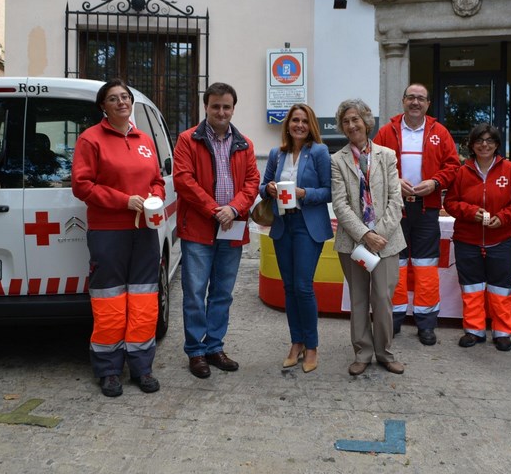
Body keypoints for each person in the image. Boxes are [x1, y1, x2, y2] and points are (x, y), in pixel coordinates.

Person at [72, 79, 163, 397]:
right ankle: (109, 370)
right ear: (103, 107)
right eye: (114, 98)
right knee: (109, 301)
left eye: (125, 97)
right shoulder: (90, 139)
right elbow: (82, 186)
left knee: (144, 299)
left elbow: (156, 179)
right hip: (109, 231)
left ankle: (141, 367)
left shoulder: (144, 140)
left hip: (144, 232)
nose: (122, 102)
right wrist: (124, 201)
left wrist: (155, 196)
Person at [173, 82, 260, 378]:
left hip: (231, 228)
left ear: (233, 109)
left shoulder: (245, 143)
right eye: (215, 106)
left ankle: (214, 346)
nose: (221, 112)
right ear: (206, 107)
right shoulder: (187, 140)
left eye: (226, 107)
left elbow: (252, 182)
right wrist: (214, 210)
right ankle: (195, 351)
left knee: (222, 293)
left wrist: (233, 209)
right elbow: (183, 181)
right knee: (195, 293)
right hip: (198, 228)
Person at [374, 83, 460, 345]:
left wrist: (435, 183)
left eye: (420, 99)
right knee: (394, 266)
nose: (415, 102)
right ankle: (394, 319)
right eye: (411, 97)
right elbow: (372, 163)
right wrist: (393, 180)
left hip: (426, 209)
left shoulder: (440, 132)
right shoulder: (387, 131)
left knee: (425, 267)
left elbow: (453, 165)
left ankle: (426, 323)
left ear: (428, 104)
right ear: (402, 101)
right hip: (393, 209)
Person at [331, 99, 406, 376]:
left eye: (355, 120)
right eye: (346, 122)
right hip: (352, 242)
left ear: (366, 122)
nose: (351, 125)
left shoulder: (387, 155)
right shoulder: (336, 160)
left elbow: (396, 201)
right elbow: (340, 205)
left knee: (383, 298)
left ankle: (385, 352)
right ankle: (362, 352)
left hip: (386, 242)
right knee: (359, 298)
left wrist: (378, 235)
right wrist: (365, 235)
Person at [259, 104, 332, 373]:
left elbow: (329, 192)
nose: (299, 125)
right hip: (282, 225)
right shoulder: (277, 154)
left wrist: (304, 194)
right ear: (287, 124)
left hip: (307, 224)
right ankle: (296, 342)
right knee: (289, 287)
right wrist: (267, 188)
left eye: (303, 120)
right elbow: (262, 185)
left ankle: (312, 345)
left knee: (303, 286)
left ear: (310, 124)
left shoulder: (320, 152)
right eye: (294, 120)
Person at [443, 124, 511, 351]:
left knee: (500, 289)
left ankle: (501, 332)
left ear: (497, 145)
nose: (484, 145)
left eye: (490, 141)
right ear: (471, 145)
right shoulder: (462, 172)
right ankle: (474, 331)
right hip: (467, 240)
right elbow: (449, 202)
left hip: (501, 239)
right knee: (471, 288)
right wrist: (471, 212)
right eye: (479, 140)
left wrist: (504, 217)